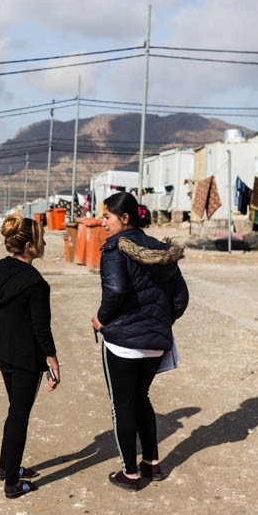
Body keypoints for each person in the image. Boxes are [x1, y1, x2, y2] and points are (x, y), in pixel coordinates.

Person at [91, 192, 189, 491]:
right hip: (156, 342)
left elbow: (117, 291)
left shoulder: (114, 249)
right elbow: (181, 298)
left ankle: (129, 474)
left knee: (123, 405)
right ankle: (152, 464)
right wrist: (161, 323)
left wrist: (101, 318)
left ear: (125, 218)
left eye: (107, 217)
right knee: (142, 399)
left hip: (122, 342)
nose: (102, 222)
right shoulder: (162, 251)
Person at [0, 215, 60, 498]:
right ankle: (12, 484)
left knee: (14, 409)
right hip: (24, 357)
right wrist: (52, 361)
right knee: (19, 414)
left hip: (1, 350)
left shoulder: (0, 268)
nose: (44, 243)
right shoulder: (36, 283)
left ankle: (7, 467)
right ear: (29, 246)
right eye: (40, 239)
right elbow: (42, 328)